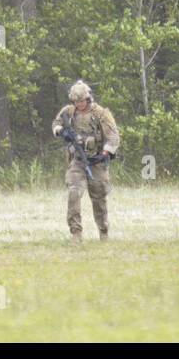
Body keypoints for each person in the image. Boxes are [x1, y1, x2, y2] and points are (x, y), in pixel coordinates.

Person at [51, 80, 119, 243]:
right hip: (78, 160)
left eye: (81, 101)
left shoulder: (101, 114)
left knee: (99, 198)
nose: (78, 104)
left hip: (97, 162)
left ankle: (103, 232)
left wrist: (104, 153)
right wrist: (61, 132)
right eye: (75, 101)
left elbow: (113, 137)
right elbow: (56, 124)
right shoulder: (69, 111)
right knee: (74, 193)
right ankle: (76, 233)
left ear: (88, 99)